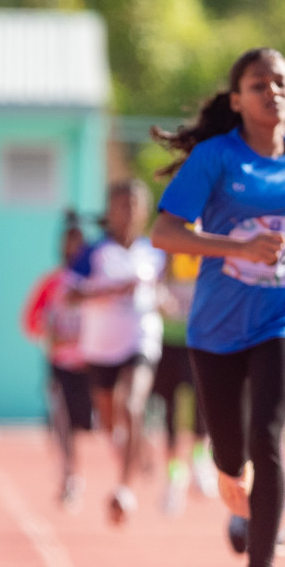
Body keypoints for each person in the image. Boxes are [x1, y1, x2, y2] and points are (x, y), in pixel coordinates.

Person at [150, 47, 285, 567]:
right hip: (216, 327)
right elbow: (165, 232)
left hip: (282, 317)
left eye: (280, 82)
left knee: (269, 434)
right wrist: (235, 248)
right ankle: (244, 502)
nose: (270, 91)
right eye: (258, 84)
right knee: (232, 461)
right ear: (237, 100)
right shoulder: (215, 157)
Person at [69, 180, 165, 525]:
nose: (129, 212)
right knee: (109, 420)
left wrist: (164, 301)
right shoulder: (93, 253)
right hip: (100, 347)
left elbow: (164, 294)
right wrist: (109, 290)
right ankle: (126, 448)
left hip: (141, 340)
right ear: (110, 211)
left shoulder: (155, 252)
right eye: (123, 205)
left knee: (133, 404)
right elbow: (69, 296)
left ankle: (124, 489)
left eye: (136, 205)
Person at [20, 210, 93, 510]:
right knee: (62, 421)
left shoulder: (94, 282)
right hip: (60, 364)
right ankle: (69, 476)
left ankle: (129, 467)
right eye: (68, 242)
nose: (73, 248)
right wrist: (52, 336)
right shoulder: (51, 283)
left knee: (94, 423)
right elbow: (30, 322)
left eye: (78, 243)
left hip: (92, 365)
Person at [152, 246, 218, 515]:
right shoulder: (165, 258)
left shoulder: (207, 255)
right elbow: (152, 288)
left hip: (198, 341)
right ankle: (173, 477)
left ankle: (200, 461)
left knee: (202, 404)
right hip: (168, 343)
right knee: (170, 411)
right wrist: (160, 297)